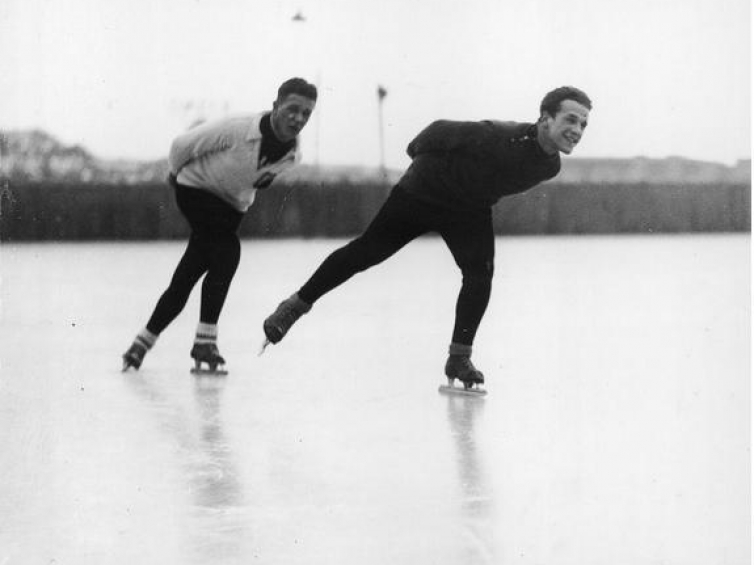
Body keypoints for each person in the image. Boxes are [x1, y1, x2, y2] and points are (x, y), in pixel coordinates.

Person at [262, 86, 592, 390]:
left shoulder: (550, 167)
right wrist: (419, 161)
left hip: (469, 209)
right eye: (570, 120)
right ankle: (294, 306)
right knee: (366, 252)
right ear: (545, 119)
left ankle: (459, 357)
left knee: (480, 276)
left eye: (583, 125)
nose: (576, 131)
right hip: (423, 193)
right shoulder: (500, 135)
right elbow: (434, 132)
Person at [122, 77, 318, 372]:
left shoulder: (291, 157)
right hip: (195, 189)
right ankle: (204, 341)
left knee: (192, 271)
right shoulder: (239, 127)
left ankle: (142, 343)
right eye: (293, 109)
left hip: (230, 210)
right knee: (228, 251)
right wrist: (174, 176)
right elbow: (181, 145)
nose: (298, 118)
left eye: (306, 113)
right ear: (276, 105)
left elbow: (256, 182)